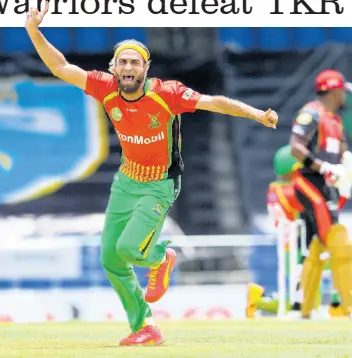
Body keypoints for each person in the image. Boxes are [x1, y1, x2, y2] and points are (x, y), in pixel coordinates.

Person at [25, 1, 278, 346]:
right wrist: (33, 31)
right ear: (114, 68)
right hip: (126, 180)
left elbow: (215, 102)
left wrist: (257, 114)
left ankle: (162, 256)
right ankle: (144, 327)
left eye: (135, 62)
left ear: (145, 68)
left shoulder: (166, 93)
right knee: (111, 259)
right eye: (123, 62)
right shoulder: (105, 87)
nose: (128, 67)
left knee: (131, 248)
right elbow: (60, 66)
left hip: (160, 183)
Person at [246, 145, 346, 319]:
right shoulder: (284, 189)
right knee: (305, 298)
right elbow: (310, 203)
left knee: (321, 279)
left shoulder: (279, 187)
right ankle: (259, 300)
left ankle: (338, 304)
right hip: (296, 247)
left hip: (298, 244)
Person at [290, 69, 352, 319]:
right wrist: (324, 167)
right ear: (334, 90)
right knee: (338, 241)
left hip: (327, 185)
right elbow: (296, 148)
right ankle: (349, 306)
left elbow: (341, 152)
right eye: (342, 91)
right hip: (309, 183)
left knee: (318, 245)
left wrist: (345, 165)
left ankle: (304, 309)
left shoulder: (334, 120)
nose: (345, 96)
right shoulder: (312, 112)